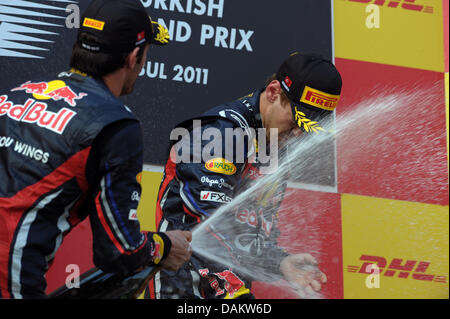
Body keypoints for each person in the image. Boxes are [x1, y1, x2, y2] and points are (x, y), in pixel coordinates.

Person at [0, 0, 191, 299]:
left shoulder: (16, 94)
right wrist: (164, 245)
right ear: (134, 56)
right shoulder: (116, 126)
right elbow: (118, 252)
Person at [147, 52, 342, 299]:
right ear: (273, 92)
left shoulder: (275, 144)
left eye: (308, 129)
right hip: (183, 285)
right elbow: (209, 223)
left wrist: (280, 262)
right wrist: (233, 289)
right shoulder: (222, 133)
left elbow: (252, 230)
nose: (297, 135)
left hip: (228, 285)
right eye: (296, 121)